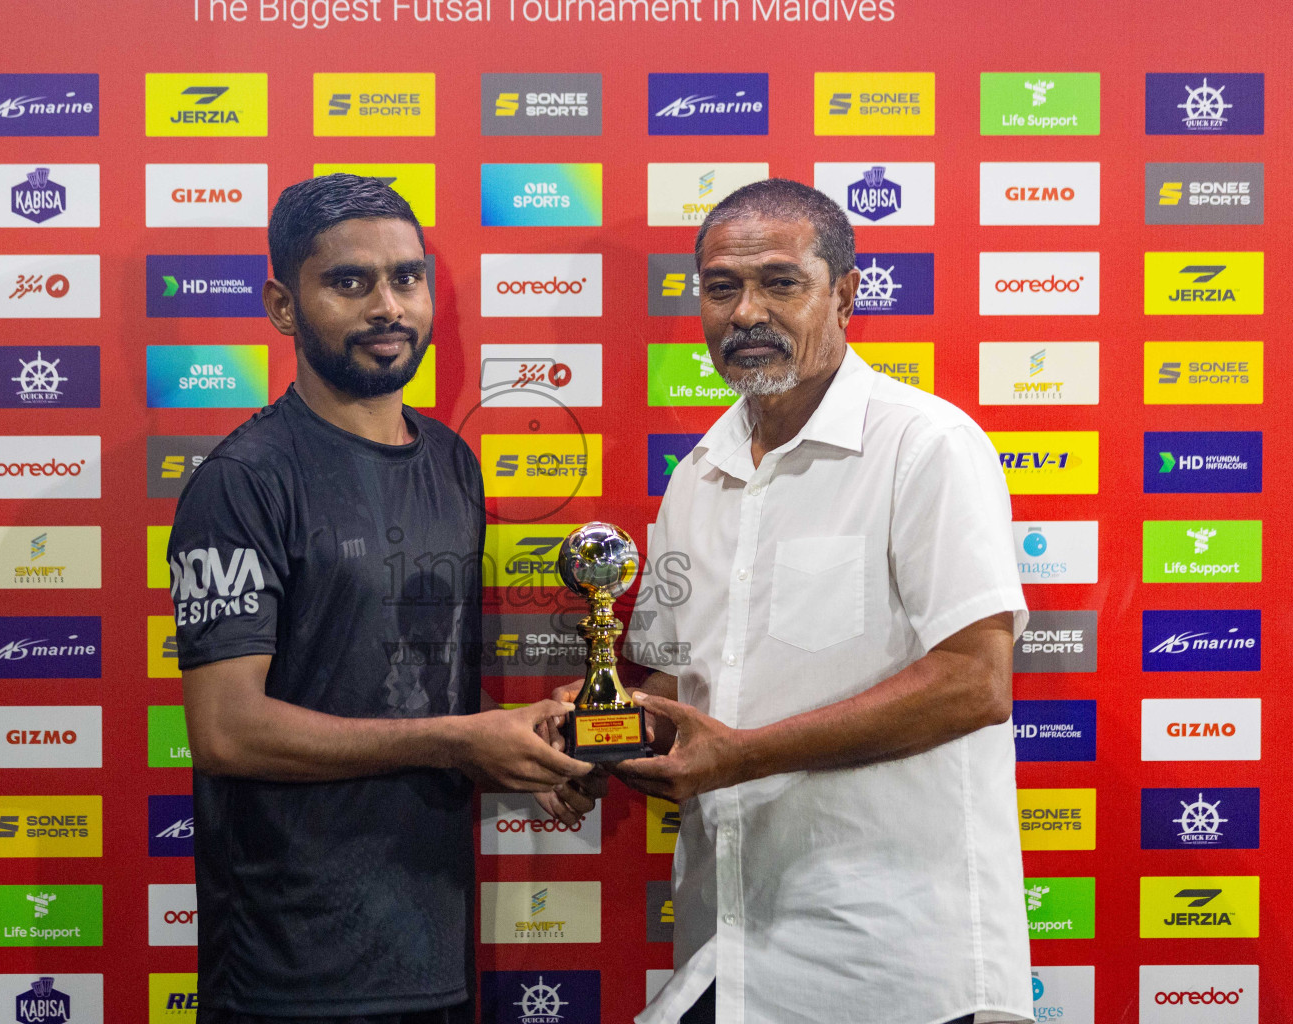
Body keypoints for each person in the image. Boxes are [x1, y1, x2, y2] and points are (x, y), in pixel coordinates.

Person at [170, 174, 596, 1024]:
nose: (388, 306)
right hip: (290, 969)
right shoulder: (242, 482)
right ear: (283, 307)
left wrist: (517, 745)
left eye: (406, 277)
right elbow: (225, 731)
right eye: (349, 282)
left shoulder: (450, 462)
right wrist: (461, 739)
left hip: (431, 946)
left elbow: (402, 685)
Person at [607, 179, 1034, 1024]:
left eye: (779, 282)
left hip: (888, 965)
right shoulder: (695, 477)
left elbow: (974, 683)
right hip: (724, 952)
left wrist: (742, 755)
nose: (745, 312)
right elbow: (670, 687)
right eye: (721, 287)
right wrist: (600, 736)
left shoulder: (925, 446)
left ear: (843, 294)